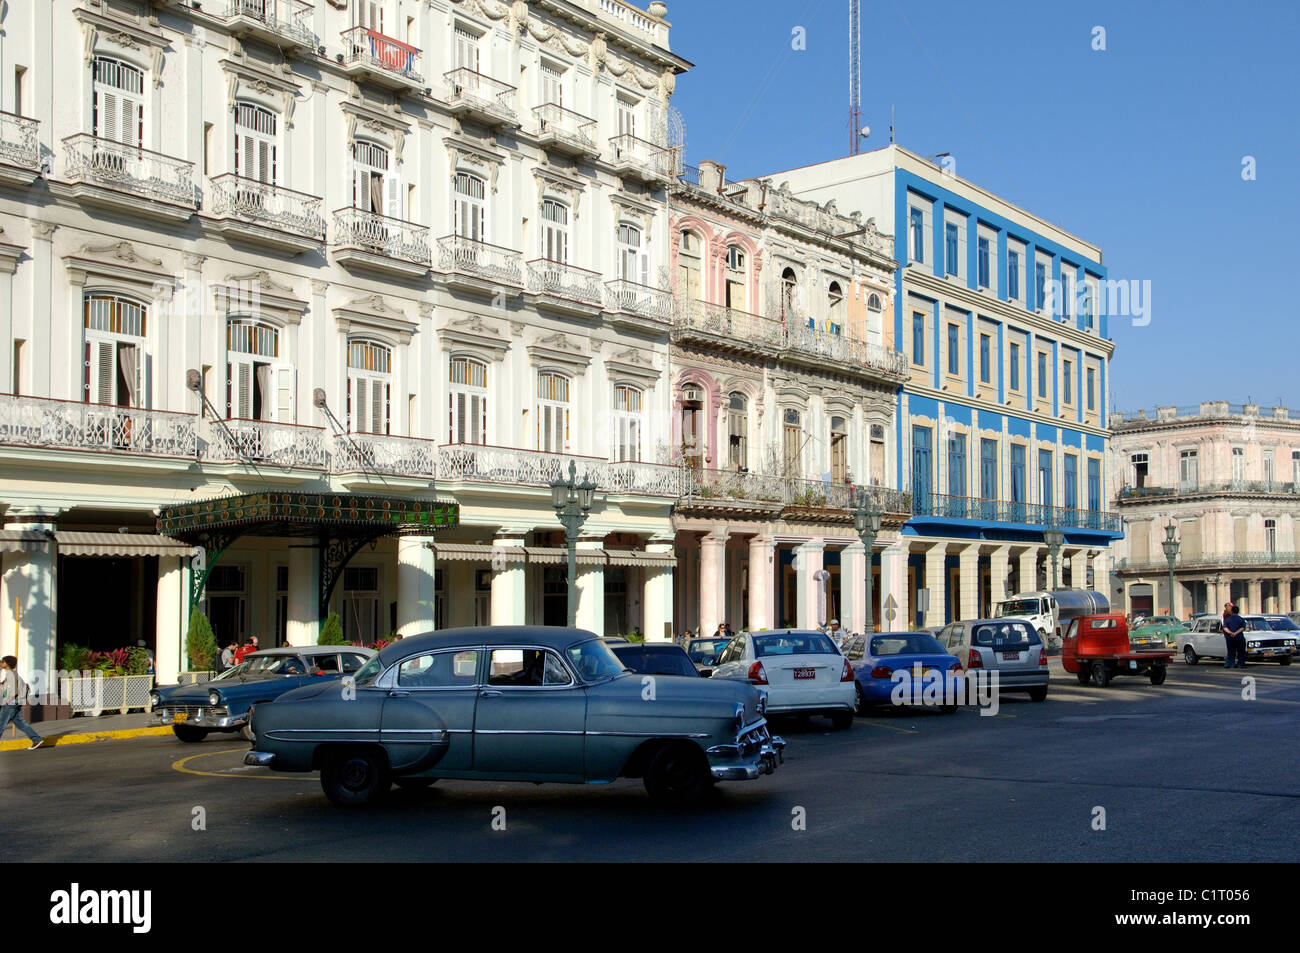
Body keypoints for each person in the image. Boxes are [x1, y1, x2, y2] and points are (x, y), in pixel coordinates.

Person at [0, 656, 44, 749]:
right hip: (16, 703)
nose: (1, 663)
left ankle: (36, 739)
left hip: (11, 703)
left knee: (1, 723)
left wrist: (8, 700)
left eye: (2, 662)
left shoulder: (10, 674)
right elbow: (5, 688)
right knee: (20, 723)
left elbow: (13, 690)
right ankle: (36, 739)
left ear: (7, 664)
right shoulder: (12, 674)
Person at [1222, 603, 1247, 669]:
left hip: (1230, 638)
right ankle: (1240, 664)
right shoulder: (1241, 619)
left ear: (1232, 611)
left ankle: (1231, 664)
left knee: (1231, 652)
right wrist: (1236, 633)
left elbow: (1224, 627)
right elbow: (1242, 628)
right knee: (1241, 652)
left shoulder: (1228, 619)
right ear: (1238, 611)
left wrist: (1231, 633)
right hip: (1239, 638)